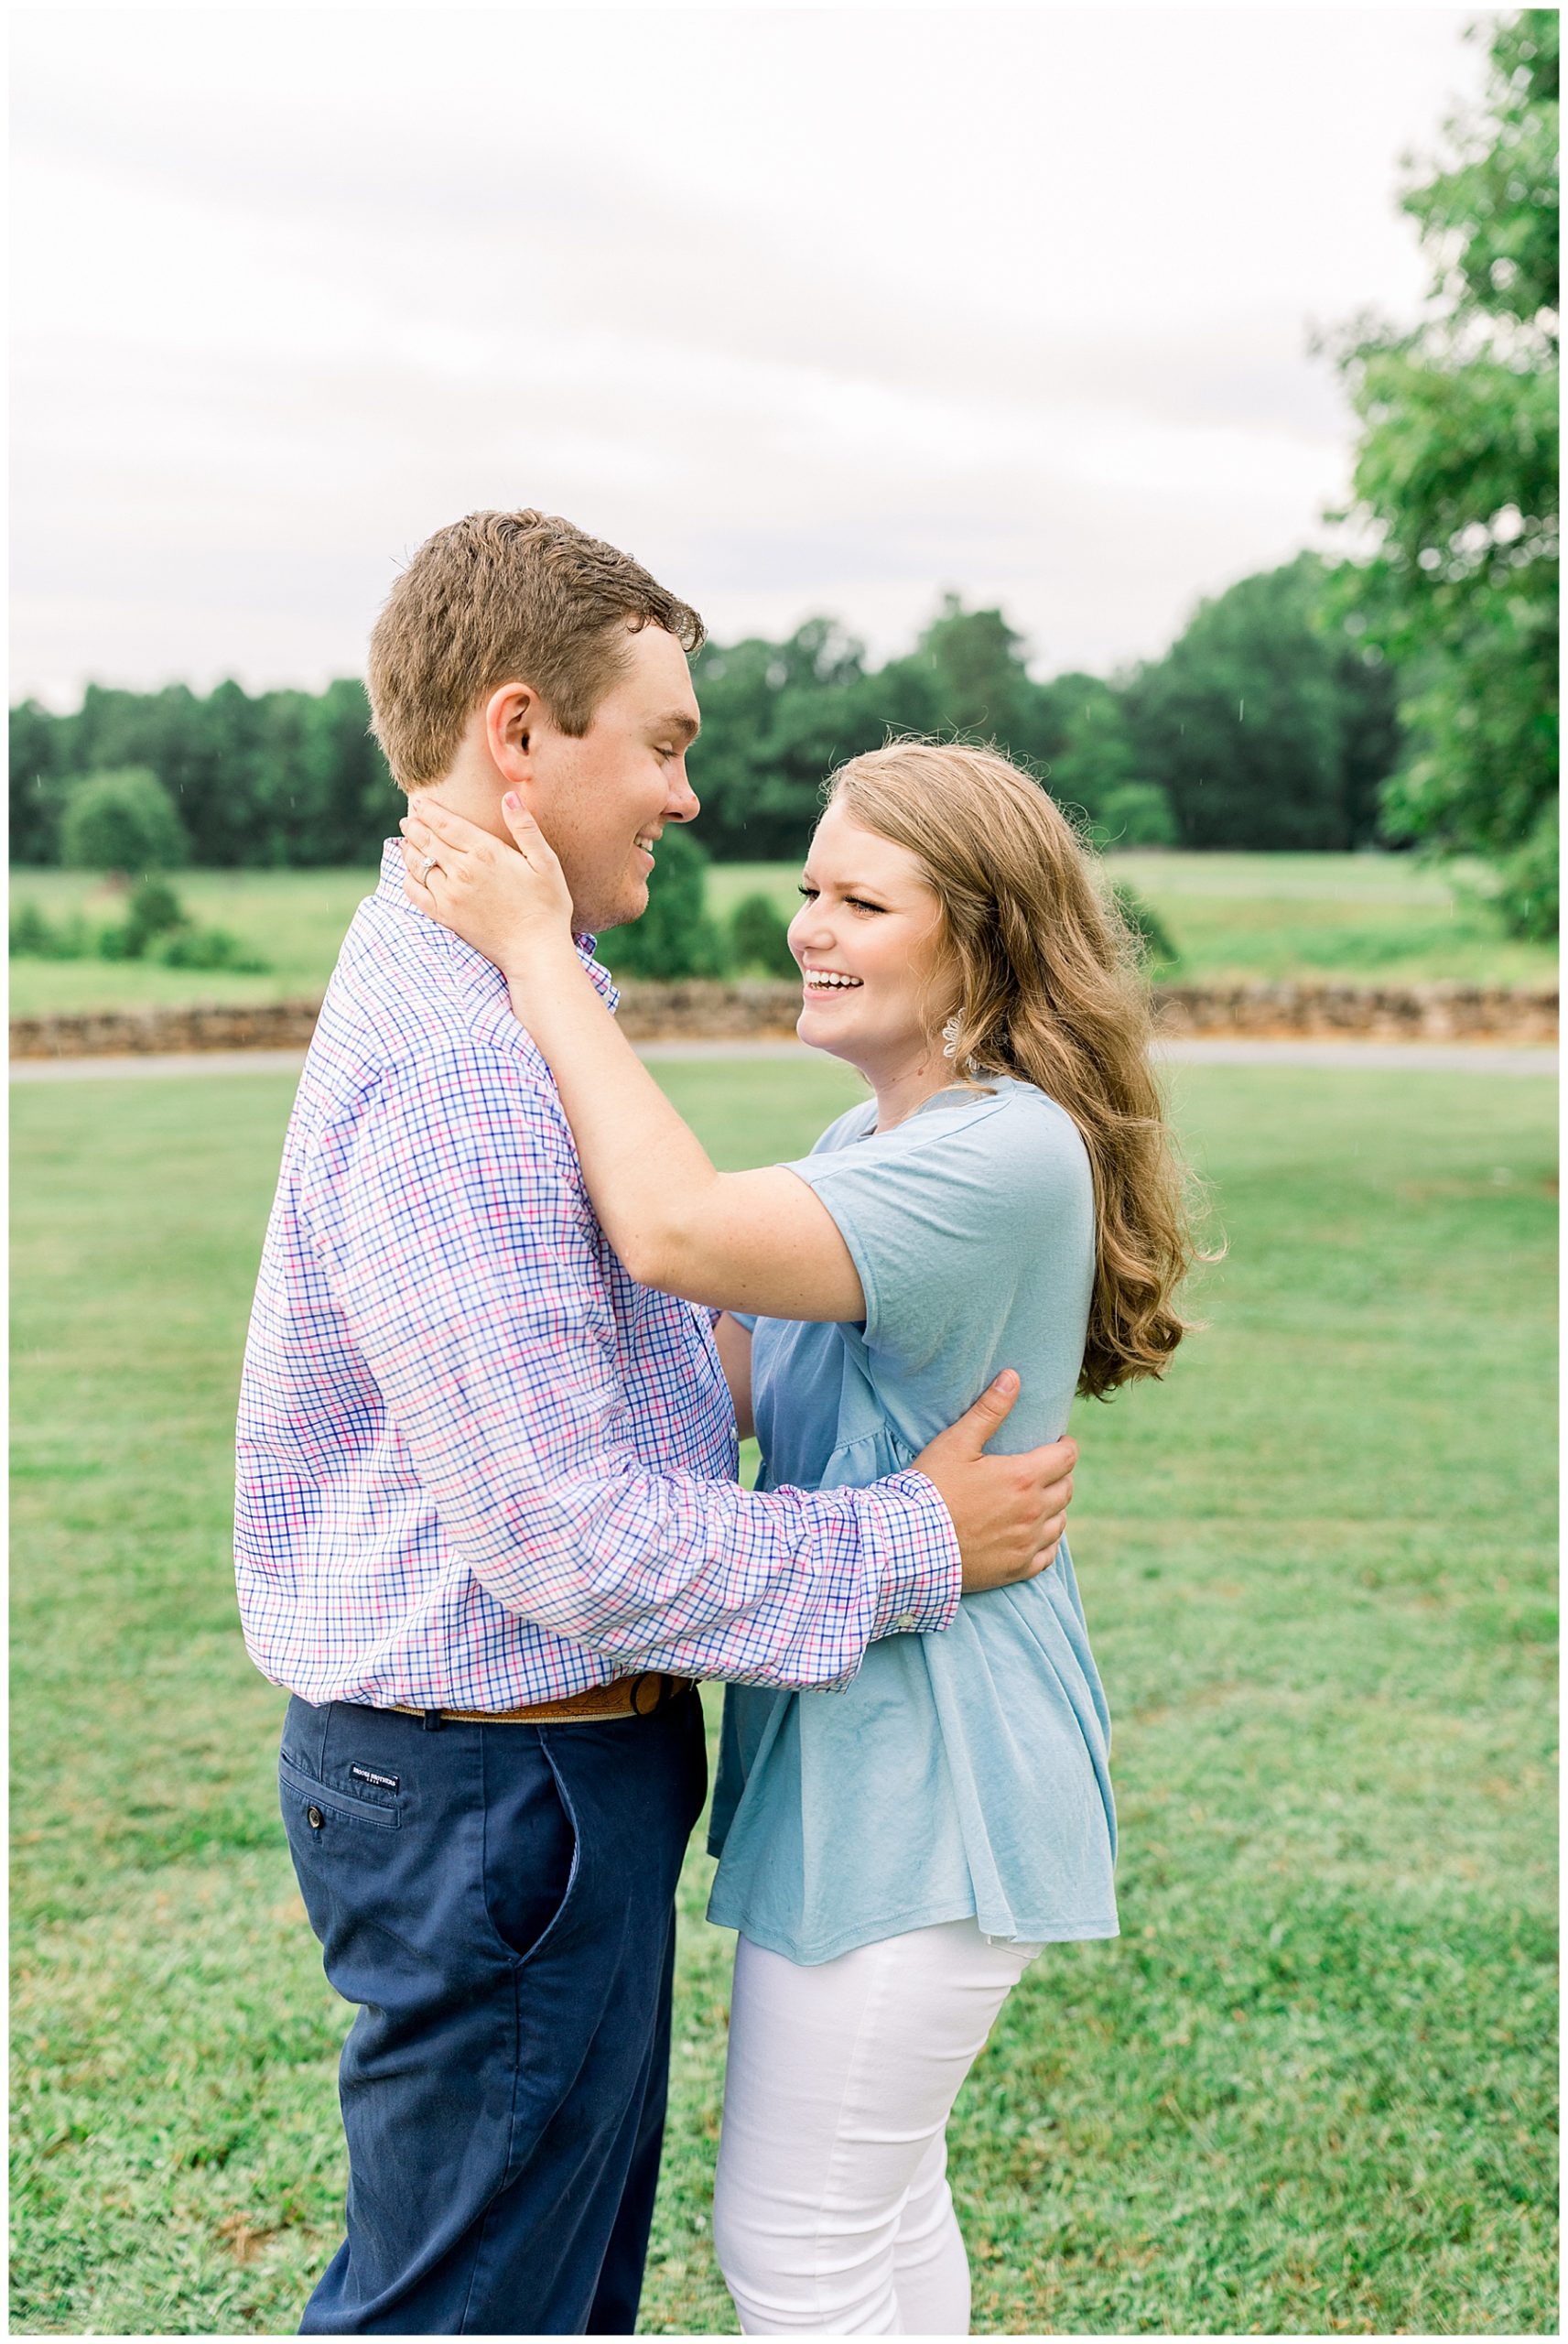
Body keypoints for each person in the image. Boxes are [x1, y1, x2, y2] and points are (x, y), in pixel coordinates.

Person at [234, 511, 1080, 2339]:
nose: (692, 800)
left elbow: (673, 1318)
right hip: (491, 1781)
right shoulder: (469, 1054)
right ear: (522, 736)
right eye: (669, 740)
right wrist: (910, 1536)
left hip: (524, 1777)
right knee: (469, 2309)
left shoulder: (515, 1010)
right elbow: (565, 1535)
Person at [399, 736, 1195, 2336]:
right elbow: (700, 1354)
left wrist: (537, 956)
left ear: (981, 931)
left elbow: (679, 1231)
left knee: (801, 2247)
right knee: (878, 2224)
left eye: (859, 900)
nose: (807, 930)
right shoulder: (868, 1153)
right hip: (862, 1734)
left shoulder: (1004, 1147)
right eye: (807, 891)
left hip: (933, 1760)